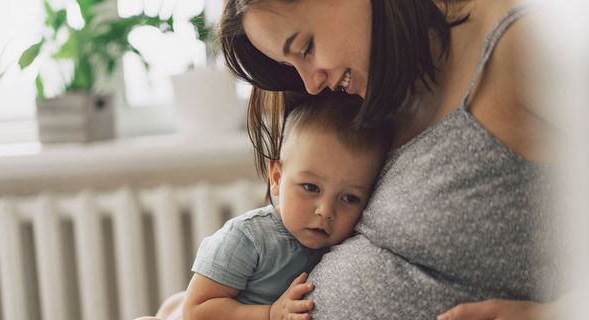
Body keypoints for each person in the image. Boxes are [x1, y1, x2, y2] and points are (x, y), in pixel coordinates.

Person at [217, 0, 560, 319]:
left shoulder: (522, 44)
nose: (310, 84)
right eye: (289, 66)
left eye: (307, 47)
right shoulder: (378, 87)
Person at [181, 93, 387, 320]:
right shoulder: (247, 238)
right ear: (277, 178)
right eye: (310, 187)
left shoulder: (345, 245)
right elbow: (195, 311)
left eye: (349, 198)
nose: (326, 211)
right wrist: (269, 313)